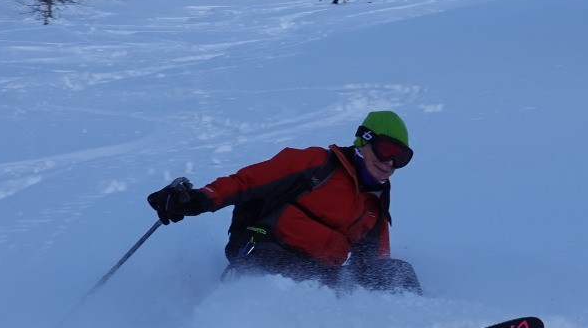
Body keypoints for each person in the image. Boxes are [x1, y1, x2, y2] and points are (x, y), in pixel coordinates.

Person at [146, 111, 420, 293]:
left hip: (319, 275)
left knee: (395, 273)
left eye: (401, 158)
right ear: (364, 140)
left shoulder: (375, 206)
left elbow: (373, 266)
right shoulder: (317, 164)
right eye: (387, 150)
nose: (389, 163)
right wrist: (196, 200)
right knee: (304, 283)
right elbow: (246, 181)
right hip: (267, 252)